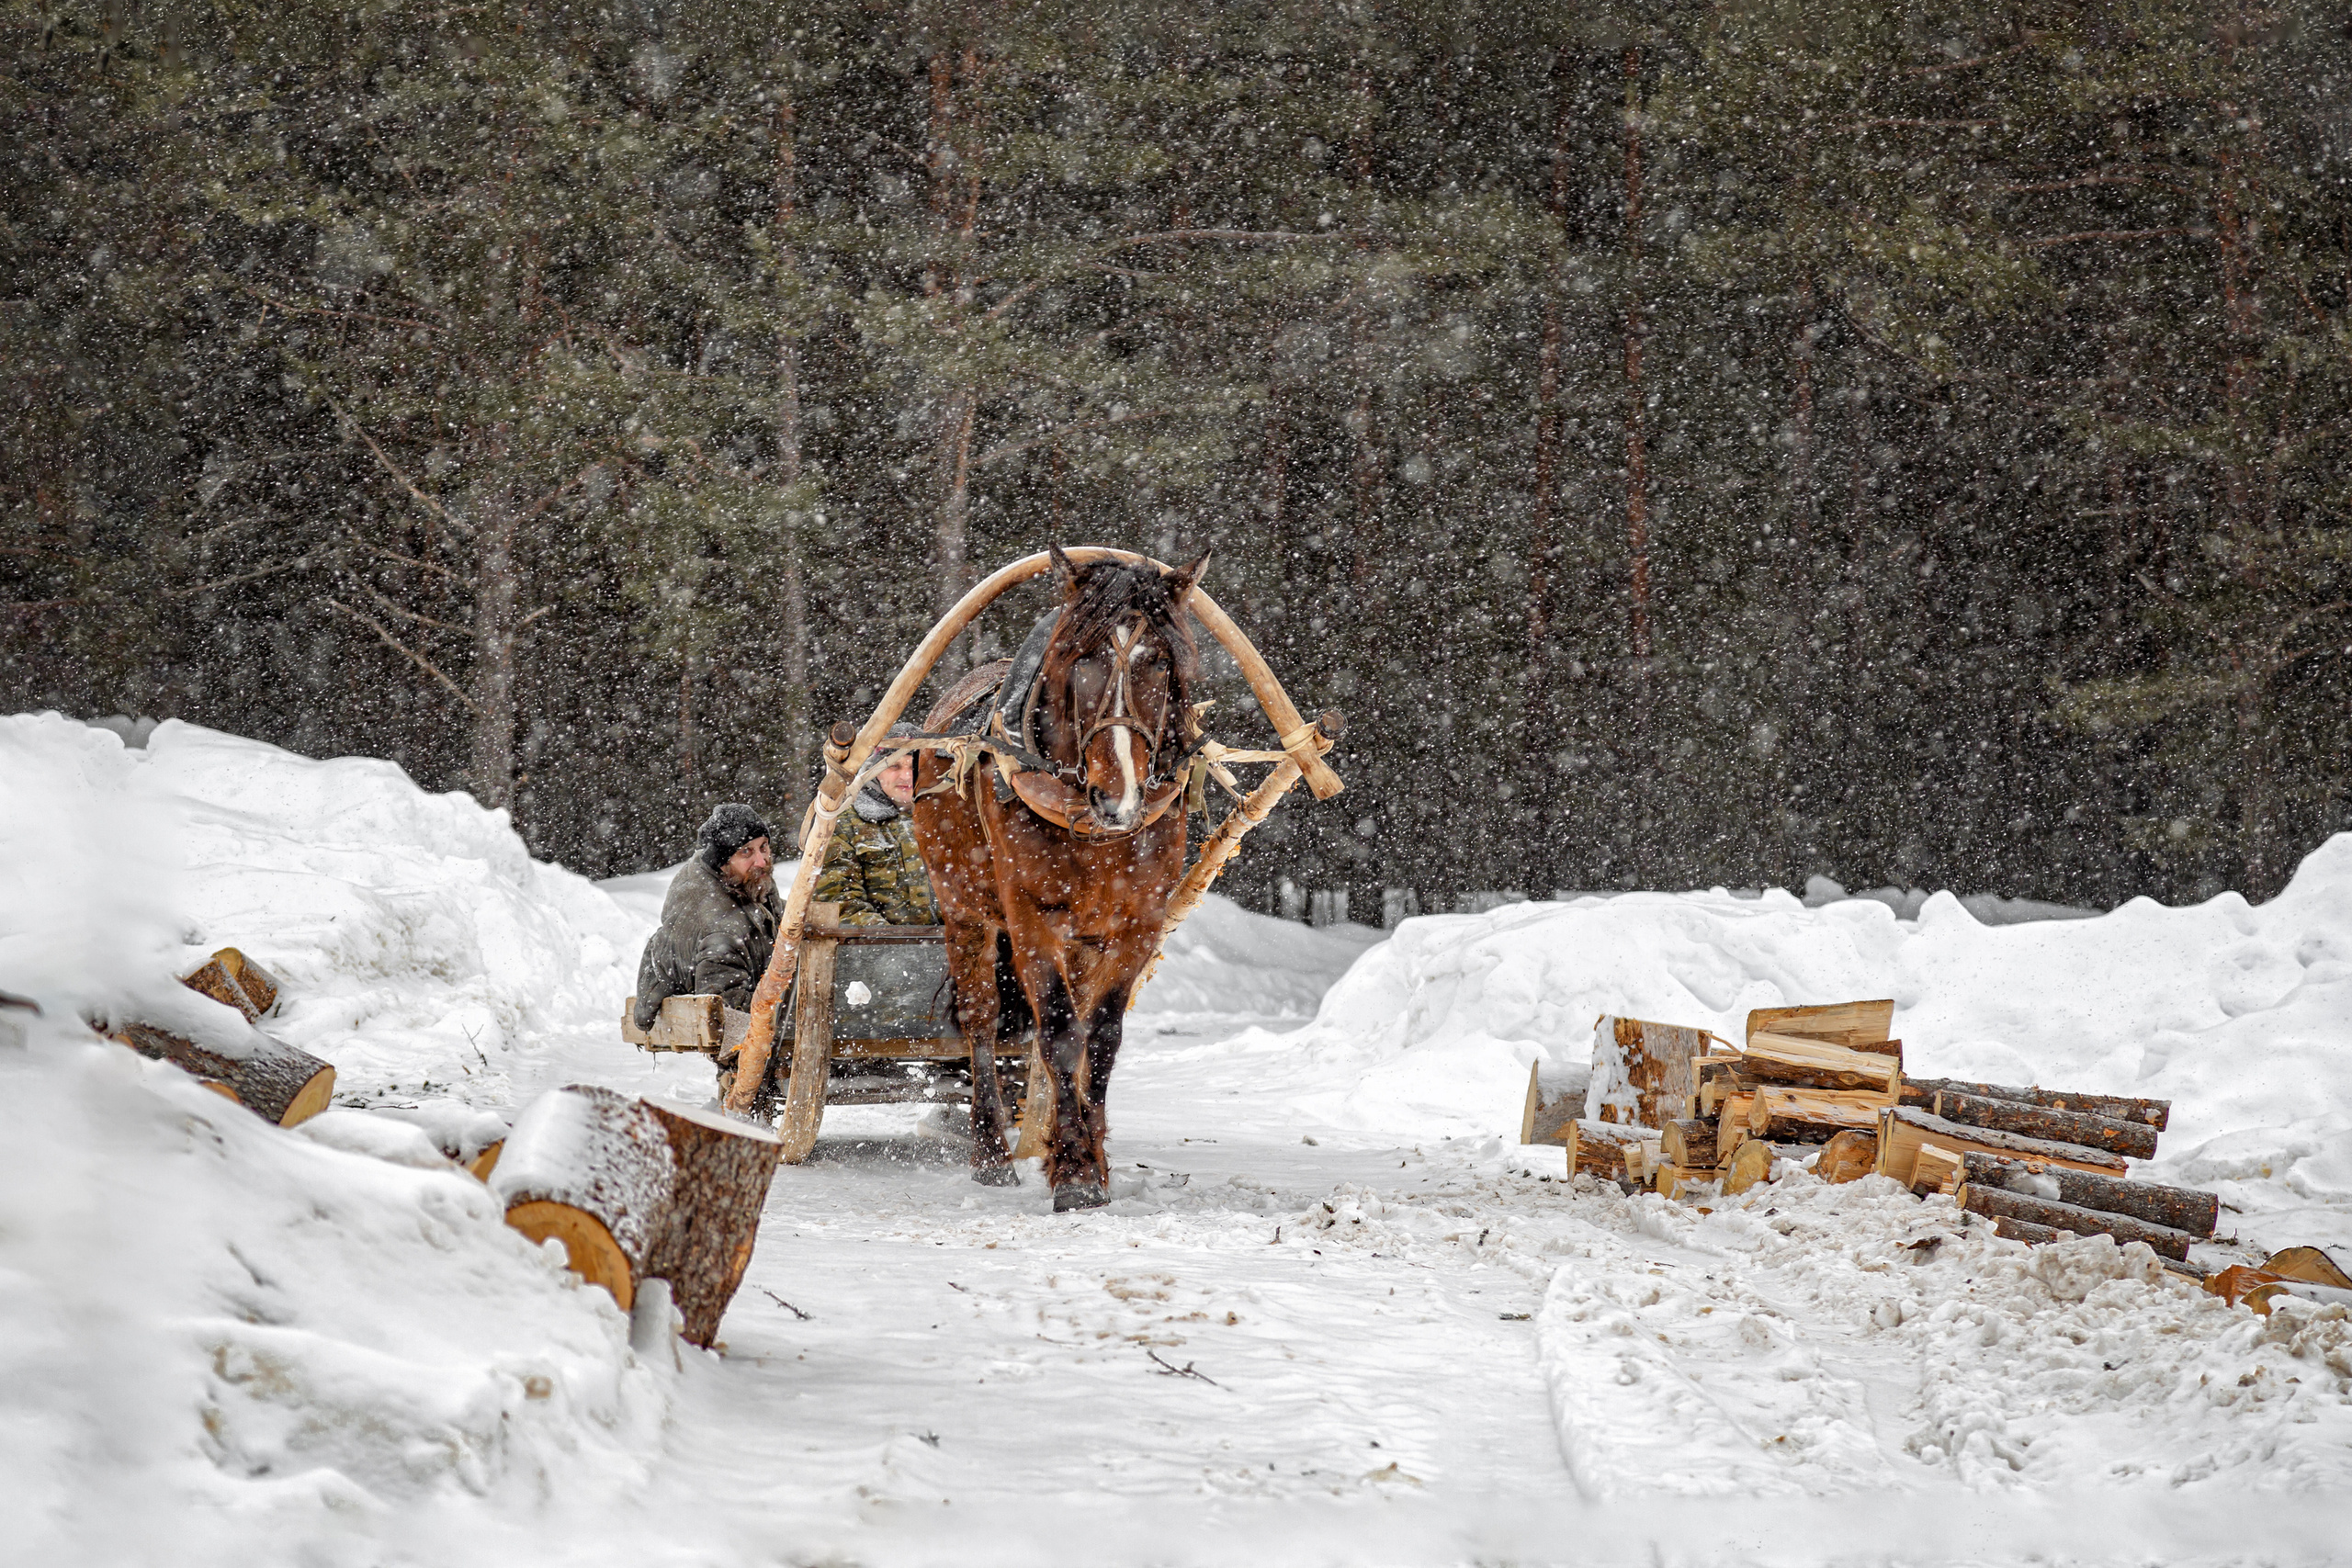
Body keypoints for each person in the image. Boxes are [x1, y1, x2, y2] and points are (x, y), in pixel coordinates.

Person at [631, 803, 779, 1030]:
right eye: (746, 851)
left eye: (764, 847)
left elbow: (768, 914)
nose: (761, 861)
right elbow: (727, 1014)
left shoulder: (744, 878)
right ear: (723, 862)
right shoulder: (721, 929)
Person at [814, 722, 941, 926]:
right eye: (894, 766)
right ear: (875, 770)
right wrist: (891, 942)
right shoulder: (846, 823)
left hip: (950, 950)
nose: (906, 776)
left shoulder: (946, 819)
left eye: (913, 766)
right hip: (874, 949)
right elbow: (839, 900)